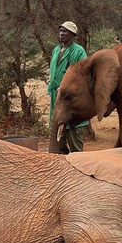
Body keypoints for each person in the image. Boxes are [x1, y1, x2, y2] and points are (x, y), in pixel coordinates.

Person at [47, 21, 88, 154]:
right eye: (61, 30)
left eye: (65, 31)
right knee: (57, 138)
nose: (62, 33)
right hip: (56, 96)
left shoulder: (78, 51)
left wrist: (67, 88)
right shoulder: (56, 50)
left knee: (74, 137)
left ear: (72, 34)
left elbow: (83, 74)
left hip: (71, 98)